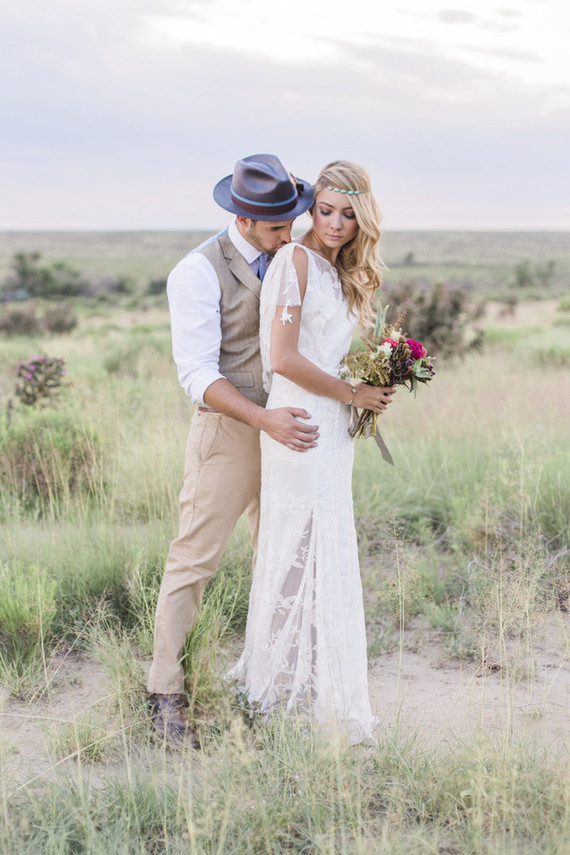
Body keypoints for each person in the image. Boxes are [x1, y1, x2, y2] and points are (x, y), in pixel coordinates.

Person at [147, 154, 318, 744]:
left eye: (290, 222)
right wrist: (261, 418)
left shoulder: (291, 258)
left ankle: (272, 686)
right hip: (230, 431)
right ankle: (163, 691)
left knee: (283, 557)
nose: (287, 235)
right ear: (243, 219)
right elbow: (195, 373)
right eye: (276, 227)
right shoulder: (195, 273)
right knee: (195, 558)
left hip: (290, 431)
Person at [228, 160, 396, 745]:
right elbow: (283, 357)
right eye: (325, 210)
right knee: (295, 548)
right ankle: (274, 691)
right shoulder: (296, 260)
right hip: (299, 423)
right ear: (310, 207)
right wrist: (353, 391)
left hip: (333, 427)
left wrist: (370, 386)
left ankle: (314, 687)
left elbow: (328, 351)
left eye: (349, 215)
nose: (335, 223)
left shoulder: (337, 271)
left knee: (324, 549)